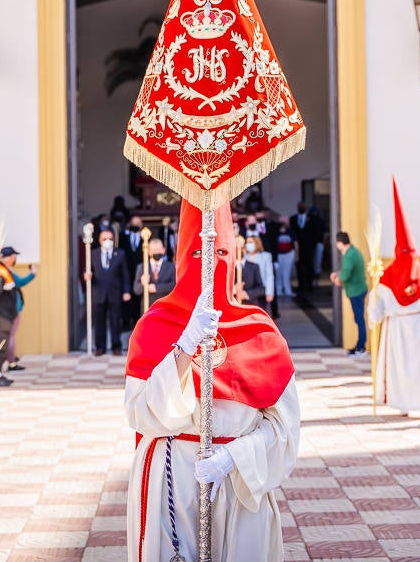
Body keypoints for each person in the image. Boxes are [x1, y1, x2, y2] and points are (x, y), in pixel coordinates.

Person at [124, 201, 299, 562]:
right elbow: (139, 414)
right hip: (172, 476)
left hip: (239, 480)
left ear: (233, 255)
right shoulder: (153, 326)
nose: (209, 263)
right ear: (181, 256)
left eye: (219, 251)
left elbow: (284, 430)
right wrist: (182, 350)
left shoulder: (261, 331)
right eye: (198, 251)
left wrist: (233, 458)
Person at [369, 180, 420, 417]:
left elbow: (377, 308)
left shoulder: (388, 276)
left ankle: (417, 401)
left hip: (399, 328)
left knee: (404, 366)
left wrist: (374, 315)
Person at [83, 228, 131, 355]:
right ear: (99, 240)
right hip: (98, 293)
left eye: (110, 238)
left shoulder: (120, 254)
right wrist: (87, 276)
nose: (107, 241)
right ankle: (100, 347)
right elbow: (88, 270)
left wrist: (126, 291)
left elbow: (125, 274)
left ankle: (116, 346)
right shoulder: (92, 254)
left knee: (115, 321)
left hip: (115, 292)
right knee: (99, 322)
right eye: (105, 239)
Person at [0, 247, 35, 378]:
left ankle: (0, 369)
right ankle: (3, 367)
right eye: (13, 257)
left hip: (8, 312)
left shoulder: (5, 270)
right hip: (2, 313)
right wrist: (32, 274)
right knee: (4, 339)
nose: (14, 260)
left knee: (7, 337)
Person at [331, 232, 368, 356]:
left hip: (356, 291)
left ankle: (361, 347)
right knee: (359, 318)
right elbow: (346, 271)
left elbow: (345, 275)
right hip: (358, 290)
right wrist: (338, 275)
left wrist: (337, 279)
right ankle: (359, 345)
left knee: (359, 319)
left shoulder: (349, 255)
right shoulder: (353, 252)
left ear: (340, 243)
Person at [134, 238, 176, 308]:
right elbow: (136, 290)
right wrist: (143, 284)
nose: (156, 252)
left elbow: (174, 285)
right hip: (147, 307)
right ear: (149, 252)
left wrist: (156, 288)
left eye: (159, 249)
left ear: (163, 250)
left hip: (166, 306)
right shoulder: (142, 267)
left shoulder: (171, 267)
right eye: (153, 250)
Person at [290, 202, 320, 297]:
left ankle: (309, 285)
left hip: (309, 247)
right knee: (299, 266)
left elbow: (316, 231)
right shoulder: (293, 219)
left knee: (309, 266)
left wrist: (313, 244)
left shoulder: (312, 218)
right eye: (299, 206)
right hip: (297, 247)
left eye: (303, 206)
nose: (301, 208)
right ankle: (301, 285)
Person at [243, 235, 275, 318]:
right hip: (248, 292)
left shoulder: (266, 256)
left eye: (250, 242)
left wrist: (269, 292)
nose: (248, 244)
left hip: (261, 290)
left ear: (256, 243)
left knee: (263, 314)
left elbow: (269, 275)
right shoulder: (244, 257)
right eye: (247, 243)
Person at [274, 219, 295, 298]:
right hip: (279, 255)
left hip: (289, 254)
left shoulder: (290, 232)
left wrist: (296, 254)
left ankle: (288, 291)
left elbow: (295, 242)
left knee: (286, 274)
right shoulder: (276, 232)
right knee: (278, 274)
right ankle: (279, 290)